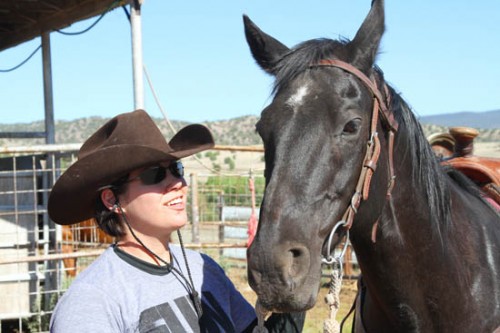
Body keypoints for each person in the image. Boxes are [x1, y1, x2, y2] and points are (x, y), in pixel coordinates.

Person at [48, 109, 304, 332]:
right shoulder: (92, 300)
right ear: (112, 200)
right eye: (156, 174)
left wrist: (297, 279)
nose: (178, 183)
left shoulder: (204, 268)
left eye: (176, 169)